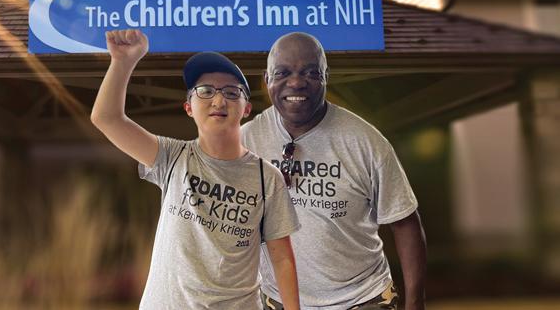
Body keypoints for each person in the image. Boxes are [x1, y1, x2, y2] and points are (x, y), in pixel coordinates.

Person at [90, 29, 301, 310]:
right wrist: (123, 61)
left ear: (247, 108)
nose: (218, 100)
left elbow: (282, 258)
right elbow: (107, 118)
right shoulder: (173, 157)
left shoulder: (267, 178)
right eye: (205, 91)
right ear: (188, 107)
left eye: (231, 92)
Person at [242, 32, 427, 310]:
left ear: (326, 76)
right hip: (280, 300)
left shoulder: (365, 142)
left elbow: (405, 222)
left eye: (310, 72)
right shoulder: (246, 141)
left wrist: (416, 304)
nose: (296, 82)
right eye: (283, 72)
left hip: (363, 298)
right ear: (267, 80)